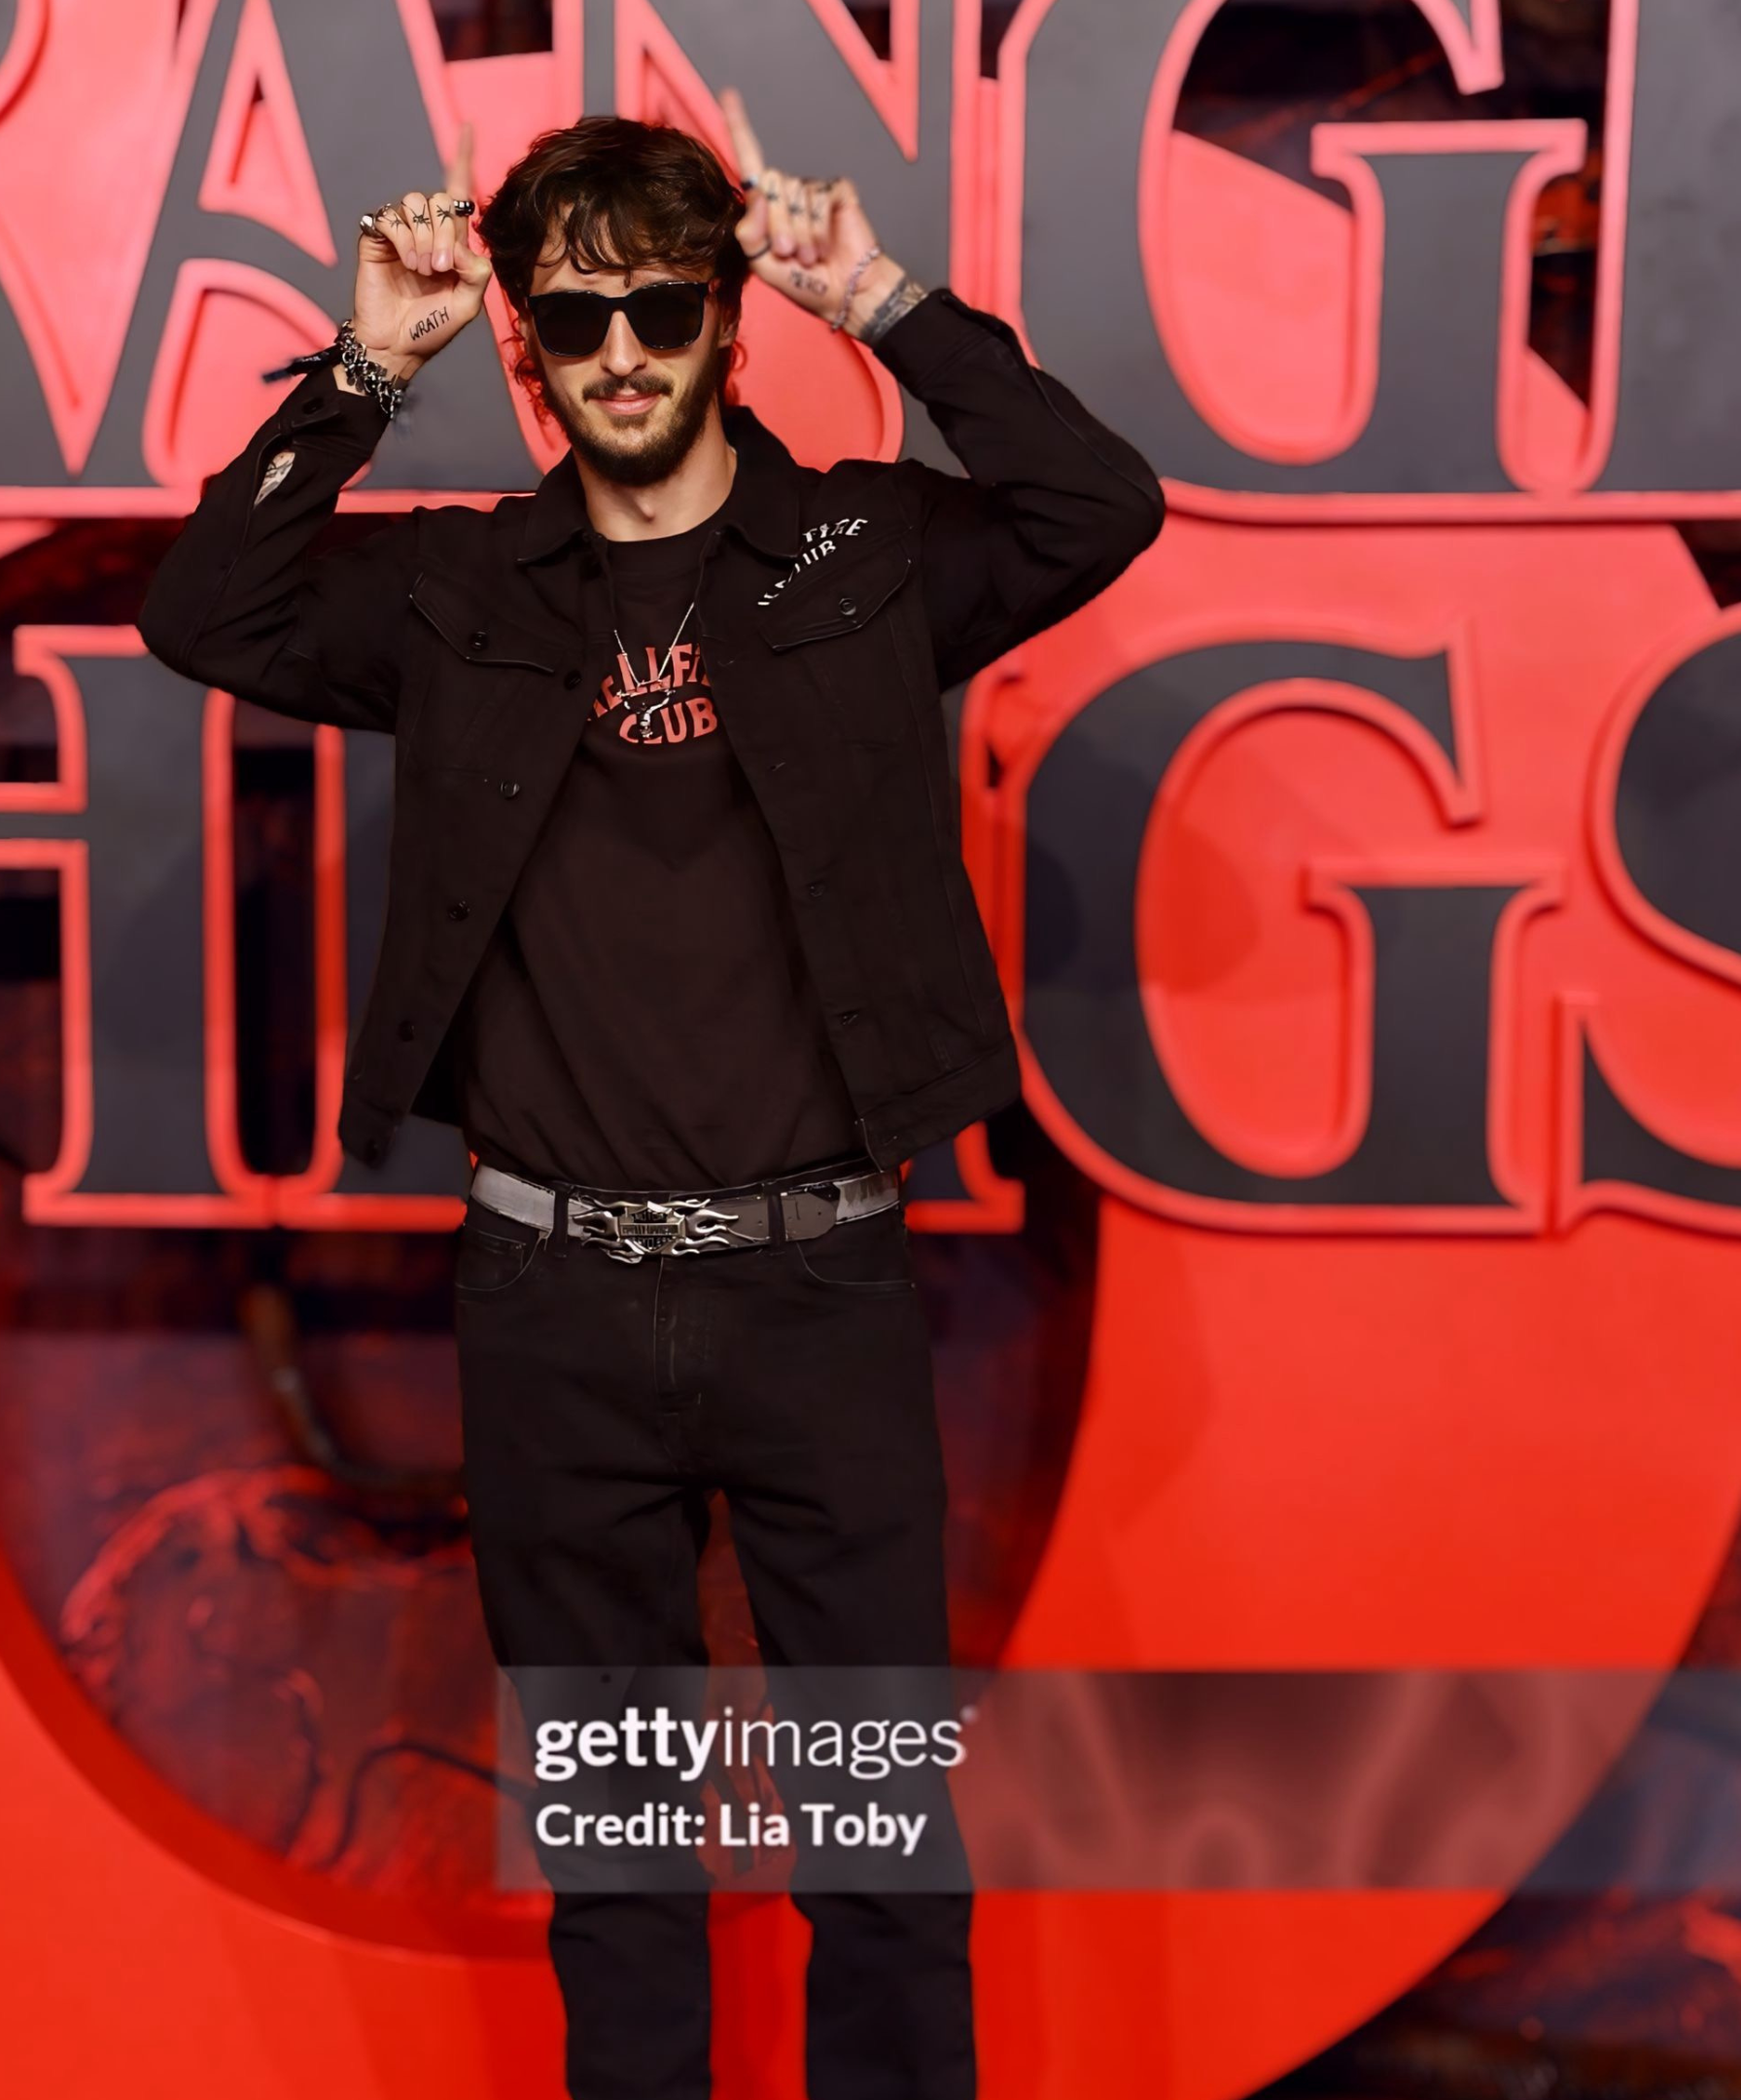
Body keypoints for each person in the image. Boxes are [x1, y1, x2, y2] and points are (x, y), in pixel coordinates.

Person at [140, 93, 1163, 2100]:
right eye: (576, 320)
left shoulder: (871, 551)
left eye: (665, 314)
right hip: (559, 1316)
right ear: (520, 339)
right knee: (617, 1860)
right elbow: (207, 610)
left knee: (880, 1849)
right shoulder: (458, 599)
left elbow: (1094, 509)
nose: (624, 356)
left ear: (726, 323)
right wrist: (363, 369)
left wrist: (887, 302)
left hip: (822, 1298)